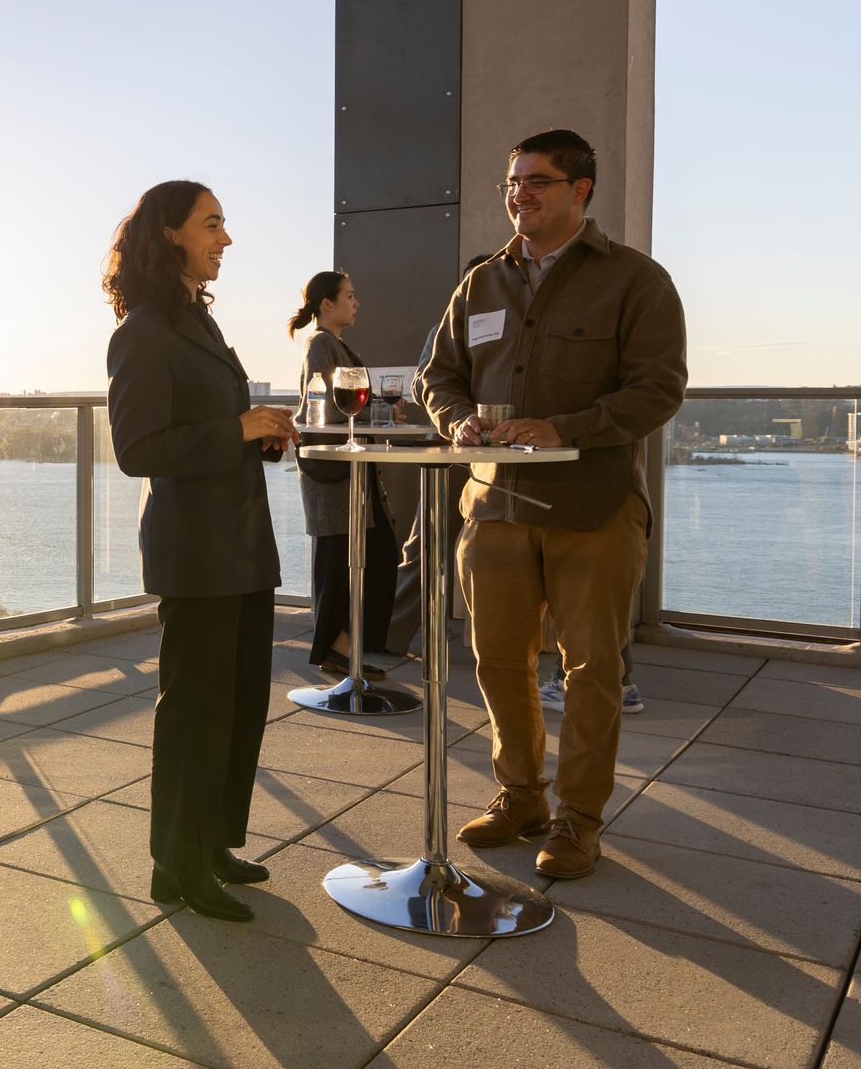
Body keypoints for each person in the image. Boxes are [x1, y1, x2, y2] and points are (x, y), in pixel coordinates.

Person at [416, 128, 685, 879]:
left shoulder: (636, 280)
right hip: (495, 505)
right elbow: (436, 376)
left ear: (581, 191)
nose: (519, 195)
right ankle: (521, 798)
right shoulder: (482, 282)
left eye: (536, 181)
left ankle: (577, 822)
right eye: (512, 182)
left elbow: (658, 389)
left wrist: (563, 428)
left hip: (591, 509)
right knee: (497, 662)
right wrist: (456, 419)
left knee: (590, 673)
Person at [104, 180, 299, 922]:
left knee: (241, 702)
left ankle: (212, 844)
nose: (225, 238)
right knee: (195, 711)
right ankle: (176, 865)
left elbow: (218, 429)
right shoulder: (144, 332)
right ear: (171, 235)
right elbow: (138, 449)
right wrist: (239, 430)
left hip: (241, 542)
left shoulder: (199, 323)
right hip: (198, 551)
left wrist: (261, 436)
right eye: (212, 224)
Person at [289, 271, 396, 678]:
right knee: (340, 559)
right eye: (349, 296)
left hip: (347, 470)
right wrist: (378, 413)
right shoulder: (321, 344)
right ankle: (338, 650)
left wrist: (378, 413)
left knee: (362, 555)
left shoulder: (334, 344)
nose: (357, 303)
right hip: (333, 473)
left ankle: (345, 648)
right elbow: (330, 408)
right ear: (326, 304)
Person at [387, 253, 493, 659]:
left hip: (504, 458)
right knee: (426, 546)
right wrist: (459, 412)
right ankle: (390, 638)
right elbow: (422, 385)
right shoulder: (445, 327)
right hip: (451, 454)